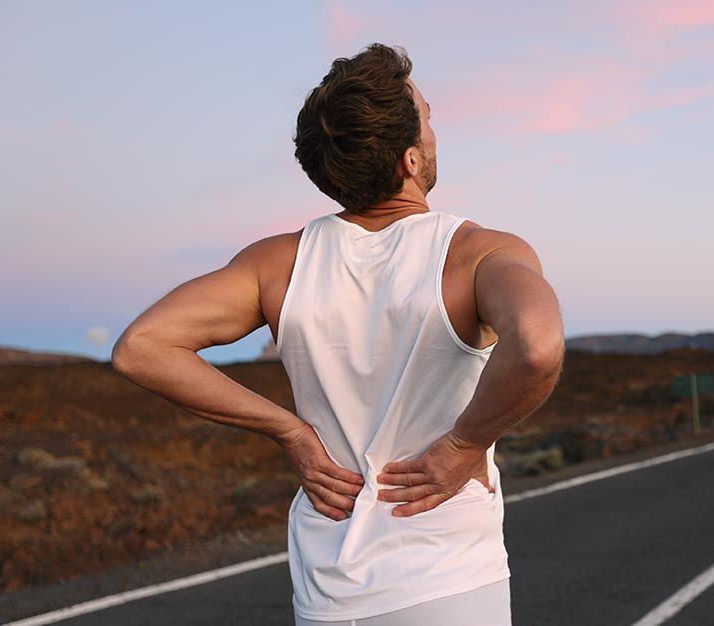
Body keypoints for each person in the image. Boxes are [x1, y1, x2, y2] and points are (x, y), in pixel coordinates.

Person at [112, 42, 565, 625]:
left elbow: (141, 348)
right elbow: (539, 347)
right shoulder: (479, 253)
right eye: (427, 117)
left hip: (325, 595)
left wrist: (290, 432)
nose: (434, 131)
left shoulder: (275, 264)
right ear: (409, 159)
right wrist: (463, 445)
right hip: (448, 582)